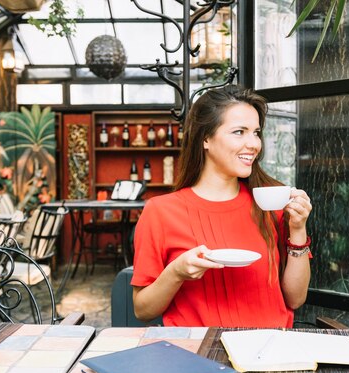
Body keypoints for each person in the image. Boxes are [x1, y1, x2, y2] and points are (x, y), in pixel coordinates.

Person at [131, 85, 312, 327]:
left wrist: (298, 229)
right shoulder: (161, 212)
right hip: (197, 355)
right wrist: (176, 273)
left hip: (270, 349)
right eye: (239, 132)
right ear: (205, 138)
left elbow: (296, 298)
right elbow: (142, 310)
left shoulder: (271, 203)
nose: (253, 144)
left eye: (256, 133)